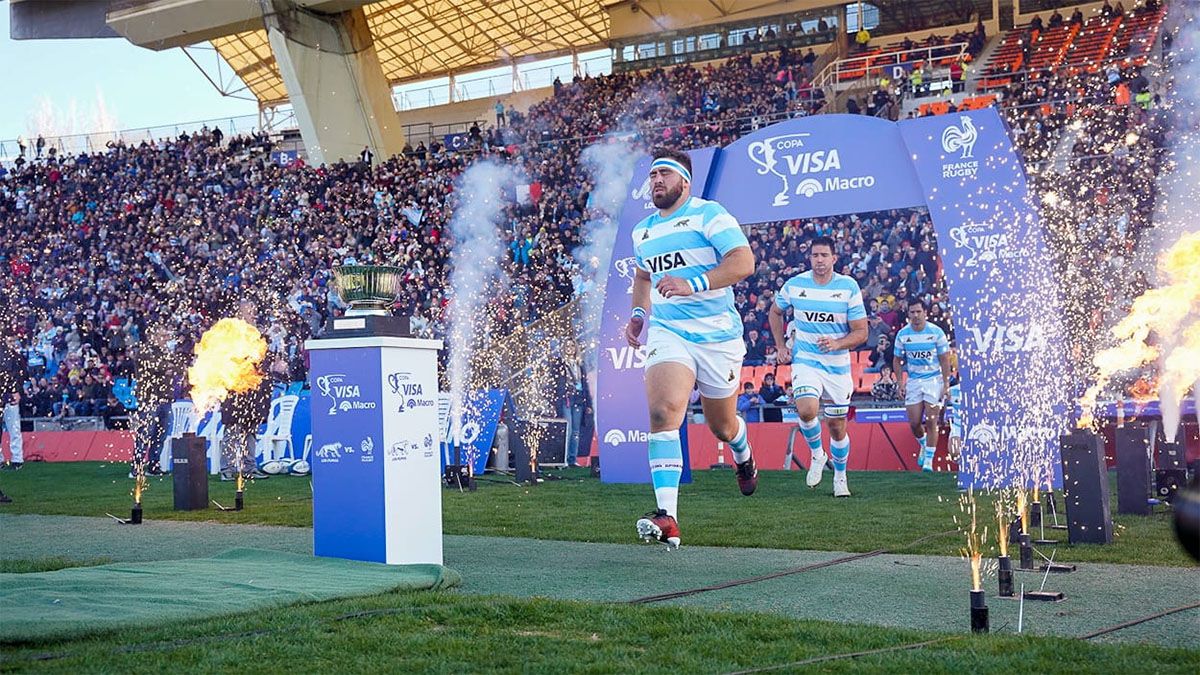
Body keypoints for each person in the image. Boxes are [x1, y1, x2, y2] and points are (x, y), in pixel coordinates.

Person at [625, 147, 757, 549]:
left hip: (717, 336)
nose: (657, 181)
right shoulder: (642, 231)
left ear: (684, 180)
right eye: (652, 176)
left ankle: (743, 451)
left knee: (722, 426)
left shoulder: (709, 214)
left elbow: (743, 261)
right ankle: (668, 517)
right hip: (669, 332)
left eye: (665, 173)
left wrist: (693, 283)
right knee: (663, 411)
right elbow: (644, 278)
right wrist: (638, 315)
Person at [770, 236, 867, 497]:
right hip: (806, 360)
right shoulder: (795, 284)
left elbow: (861, 332)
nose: (819, 260)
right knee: (806, 409)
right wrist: (781, 346)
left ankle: (840, 477)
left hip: (837, 366)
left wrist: (837, 343)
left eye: (824, 255)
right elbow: (774, 312)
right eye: (815, 255)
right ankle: (816, 454)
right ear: (810, 257)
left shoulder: (848, 287)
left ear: (834, 258)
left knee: (837, 427)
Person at [893, 300, 952, 472]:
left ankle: (928, 461)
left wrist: (946, 383)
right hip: (914, 381)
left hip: (934, 380)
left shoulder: (936, 332)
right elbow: (897, 360)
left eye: (918, 311)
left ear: (925, 313)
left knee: (932, 420)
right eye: (912, 312)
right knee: (914, 423)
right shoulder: (903, 334)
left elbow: (944, 359)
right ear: (908, 314)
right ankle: (924, 443)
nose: (915, 315)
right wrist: (899, 382)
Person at [0, 337, 27, 470]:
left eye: (13, 342)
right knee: (12, 427)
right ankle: (3, 459)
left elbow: (22, 376)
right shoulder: (10, 357)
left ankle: (17, 459)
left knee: (14, 428)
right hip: (6, 394)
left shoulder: (17, 358)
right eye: (9, 341)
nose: (12, 344)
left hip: (10, 396)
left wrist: (17, 391)